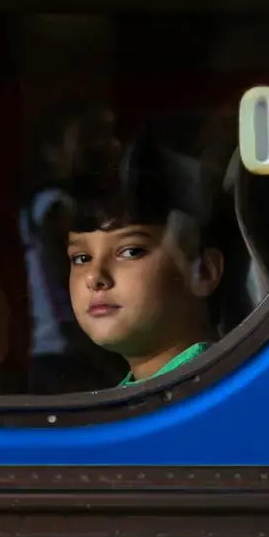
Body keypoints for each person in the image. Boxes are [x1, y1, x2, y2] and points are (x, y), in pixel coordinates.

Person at [64, 138, 226, 388]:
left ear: (203, 271)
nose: (94, 277)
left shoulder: (208, 389)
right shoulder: (142, 394)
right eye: (82, 258)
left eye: (131, 252)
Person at [20, 106, 126, 394]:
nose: (109, 147)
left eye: (109, 136)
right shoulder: (57, 205)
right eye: (92, 138)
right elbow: (69, 283)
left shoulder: (81, 204)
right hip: (68, 354)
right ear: (54, 150)